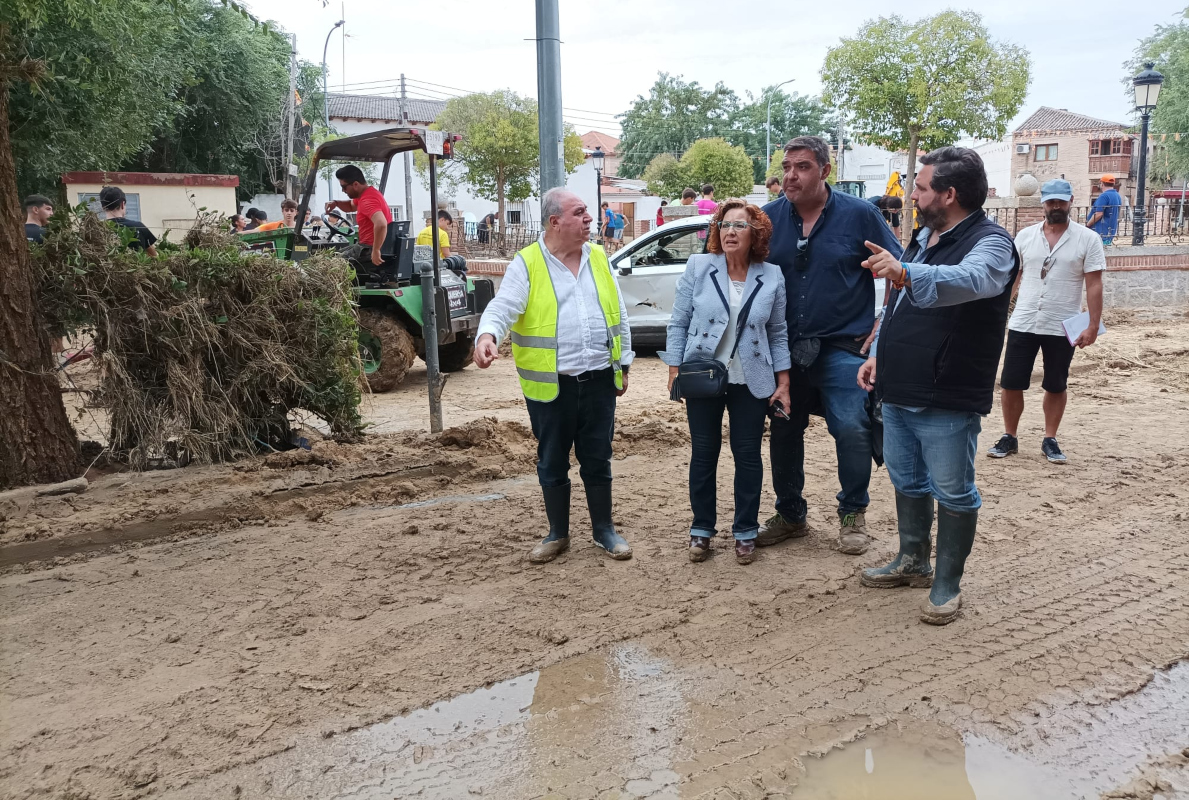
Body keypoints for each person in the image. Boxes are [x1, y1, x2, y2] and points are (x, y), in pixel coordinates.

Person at [857, 146, 1019, 625]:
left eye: (921, 187)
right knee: (906, 480)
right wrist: (877, 352)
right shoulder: (923, 234)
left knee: (953, 490)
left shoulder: (992, 243)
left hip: (947, 393)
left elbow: (971, 280)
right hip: (900, 383)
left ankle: (947, 583)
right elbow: (896, 306)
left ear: (948, 194)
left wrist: (906, 271)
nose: (911, 194)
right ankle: (913, 561)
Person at [473, 188, 635, 564]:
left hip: (598, 381)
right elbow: (504, 306)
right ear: (555, 222)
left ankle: (604, 530)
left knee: (598, 457)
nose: (589, 219)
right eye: (580, 213)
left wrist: (623, 363)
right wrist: (487, 335)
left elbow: (619, 314)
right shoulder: (528, 263)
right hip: (552, 386)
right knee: (552, 460)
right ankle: (557, 534)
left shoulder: (598, 258)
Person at [760, 136, 902, 555]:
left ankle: (852, 512)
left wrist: (882, 323)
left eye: (802, 166)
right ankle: (790, 514)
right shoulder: (767, 220)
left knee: (852, 429)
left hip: (844, 348)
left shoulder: (861, 216)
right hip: (784, 352)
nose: (790, 175)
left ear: (825, 170)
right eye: (786, 166)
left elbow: (898, 272)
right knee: (784, 431)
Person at [662, 199, 791, 565]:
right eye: (725, 224)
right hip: (702, 374)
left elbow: (779, 333)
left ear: (757, 234)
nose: (730, 231)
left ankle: (745, 531)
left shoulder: (773, 275)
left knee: (747, 455)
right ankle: (701, 529)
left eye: (739, 225)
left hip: (752, 379)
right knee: (704, 453)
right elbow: (679, 322)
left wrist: (783, 382)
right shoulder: (699, 266)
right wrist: (675, 369)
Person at [988, 179, 1105, 464]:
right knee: (1011, 382)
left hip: (1061, 322)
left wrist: (1092, 324)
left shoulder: (1087, 239)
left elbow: (1094, 285)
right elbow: (1012, 277)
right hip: (1024, 320)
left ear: (1071, 201)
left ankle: (1050, 438)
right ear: (1043, 202)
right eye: (1051, 201)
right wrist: (998, 312)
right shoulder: (1025, 237)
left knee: (1056, 383)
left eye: (1061, 201)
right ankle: (1009, 436)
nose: (1056, 206)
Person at [325, 165, 392, 267]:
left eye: (344, 187)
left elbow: (381, 224)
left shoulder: (367, 201)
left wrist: (376, 250)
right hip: (365, 246)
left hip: (367, 249)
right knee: (331, 255)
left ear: (355, 184)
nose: (343, 190)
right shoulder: (366, 194)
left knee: (330, 264)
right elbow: (350, 206)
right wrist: (336, 203)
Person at [99, 186, 158, 256]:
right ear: (122, 204)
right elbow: (154, 256)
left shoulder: (97, 229)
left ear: (103, 207)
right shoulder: (139, 226)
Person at [1087, 174, 1122, 245]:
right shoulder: (1117, 195)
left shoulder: (1104, 196)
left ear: (1102, 184)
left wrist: (1088, 225)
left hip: (1100, 233)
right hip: (1109, 232)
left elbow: (1099, 214)